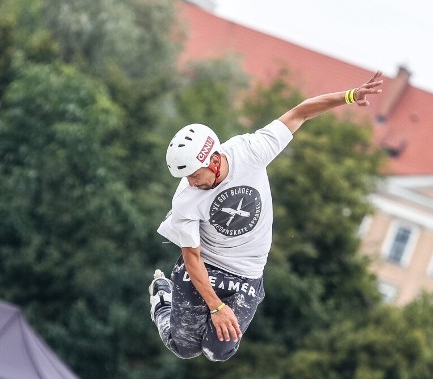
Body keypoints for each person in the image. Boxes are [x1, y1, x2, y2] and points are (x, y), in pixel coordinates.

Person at [149, 72, 384, 362]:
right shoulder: (185, 198)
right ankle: (163, 302)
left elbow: (300, 113)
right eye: (186, 178)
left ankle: (192, 316)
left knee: (217, 350)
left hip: (247, 272)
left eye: (195, 175)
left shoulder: (250, 152)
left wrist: (350, 95)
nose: (192, 182)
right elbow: (192, 256)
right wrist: (215, 306)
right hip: (204, 264)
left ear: (213, 160)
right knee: (184, 348)